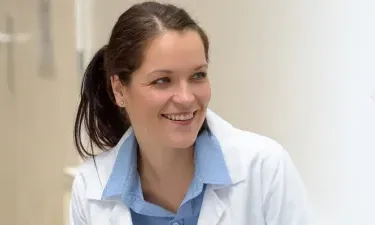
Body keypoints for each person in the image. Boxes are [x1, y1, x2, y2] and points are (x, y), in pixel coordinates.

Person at [70, 1, 313, 225]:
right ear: (119, 89)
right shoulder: (89, 187)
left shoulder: (265, 170)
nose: (186, 98)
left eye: (198, 76)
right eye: (162, 80)